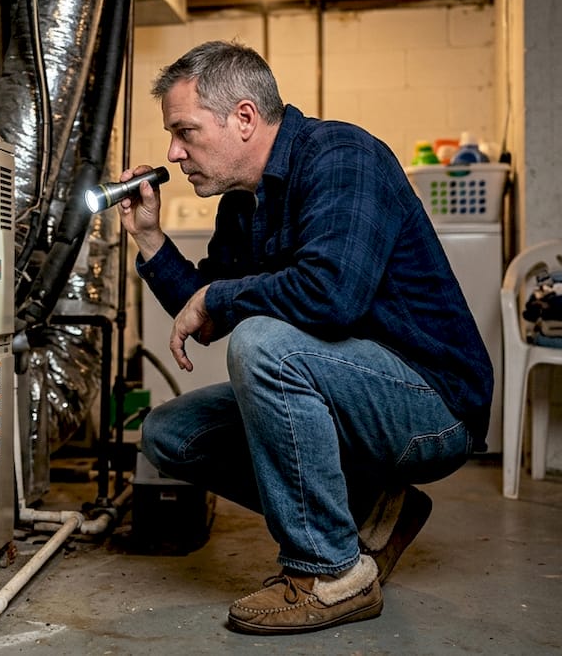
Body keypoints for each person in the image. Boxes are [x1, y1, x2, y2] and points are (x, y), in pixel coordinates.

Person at [117, 40, 492, 635]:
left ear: (243, 117)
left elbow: (331, 294)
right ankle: (374, 512)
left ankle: (329, 573)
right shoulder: (243, 204)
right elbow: (208, 312)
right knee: (171, 434)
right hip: (350, 390)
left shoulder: (344, 156)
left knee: (265, 343)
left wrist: (218, 300)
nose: (173, 151)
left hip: (433, 404)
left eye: (184, 131)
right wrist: (150, 240)